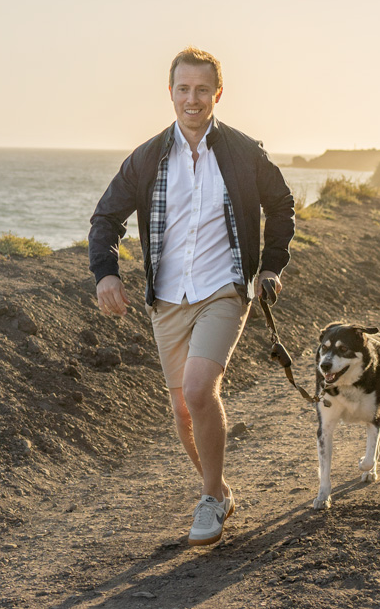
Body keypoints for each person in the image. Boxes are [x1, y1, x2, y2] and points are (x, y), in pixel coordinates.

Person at [88, 47, 295, 546]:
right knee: (182, 410)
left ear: (217, 94)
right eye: (184, 88)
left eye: (203, 89)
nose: (192, 98)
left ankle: (207, 498)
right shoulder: (148, 157)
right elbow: (105, 219)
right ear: (171, 92)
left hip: (223, 289)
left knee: (201, 391)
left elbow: (281, 204)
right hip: (166, 299)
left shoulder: (243, 152)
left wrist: (271, 265)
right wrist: (106, 274)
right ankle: (220, 490)